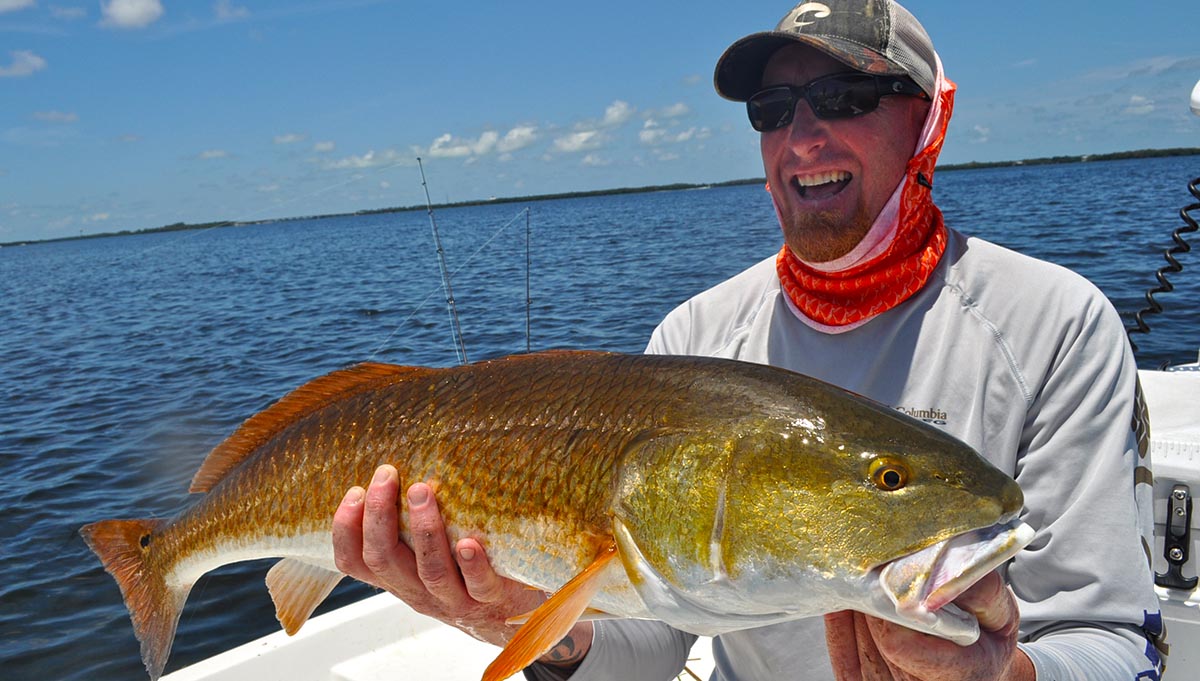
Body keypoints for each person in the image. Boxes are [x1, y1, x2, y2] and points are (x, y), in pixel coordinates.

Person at [332, 1, 1166, 678]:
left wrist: (1004, 675)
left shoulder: (1056, 324)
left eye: (845, 97)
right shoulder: (695, 334)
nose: (802, 137)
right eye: (772, 110)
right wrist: (542, 627)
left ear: (927, 119)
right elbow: (656, 635)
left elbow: (1120, 646)